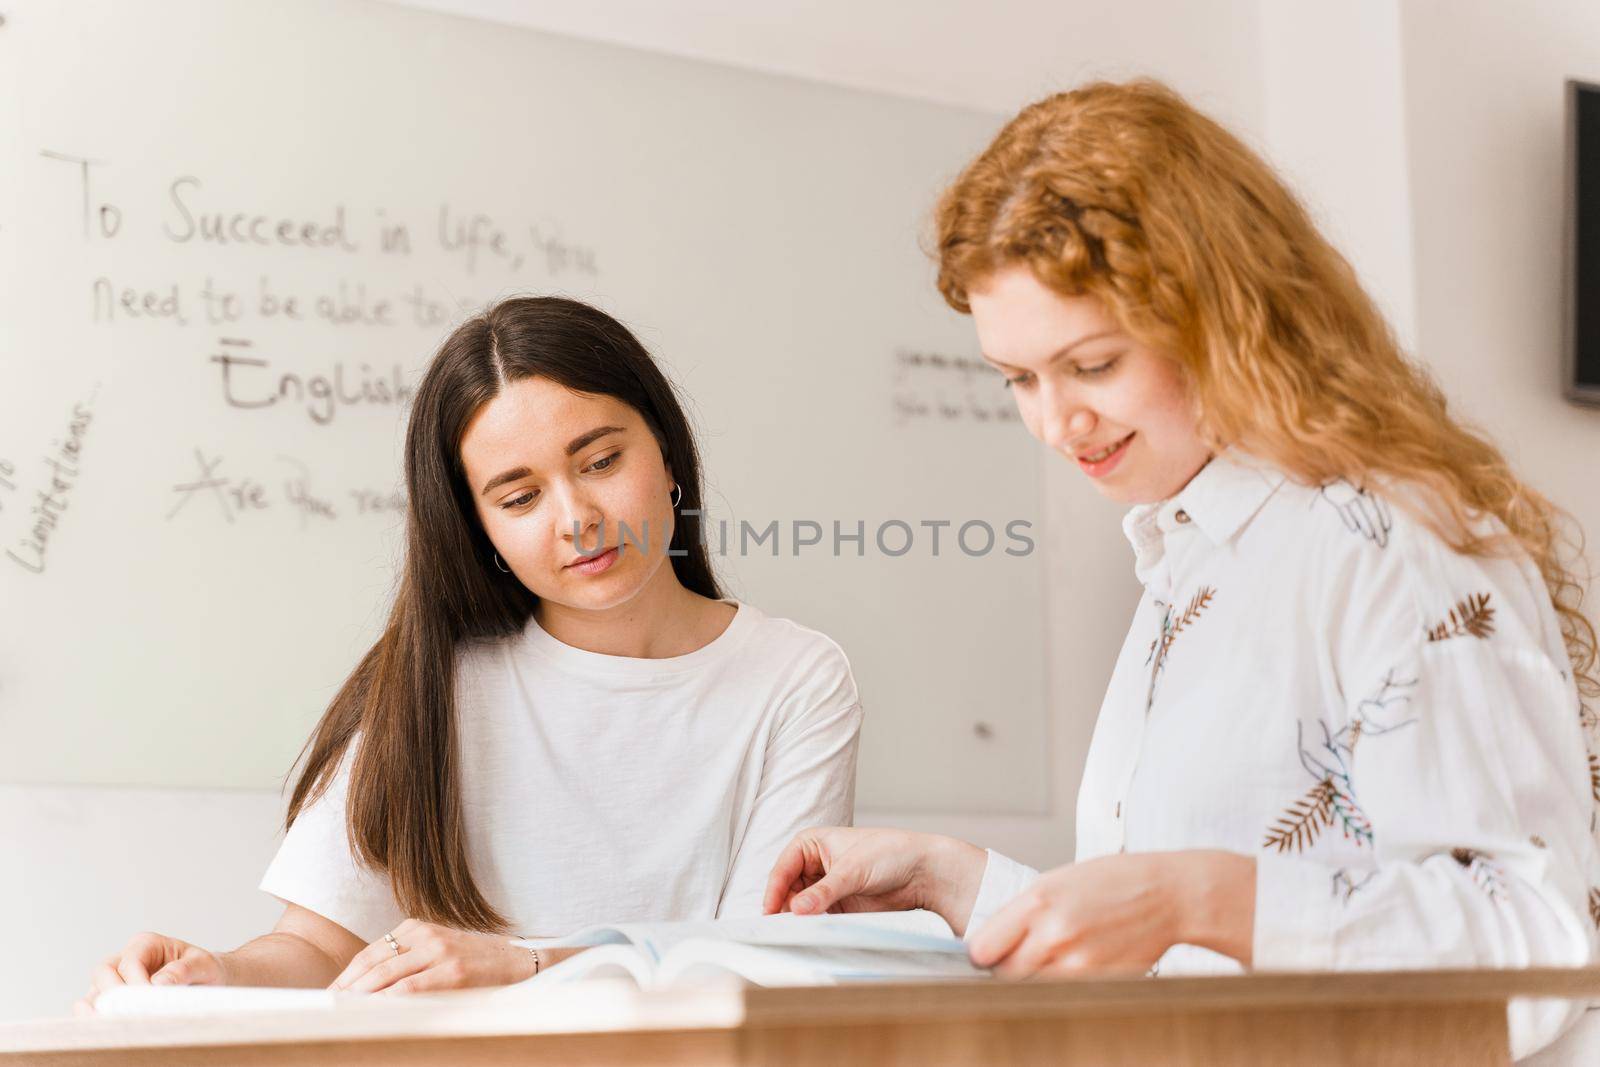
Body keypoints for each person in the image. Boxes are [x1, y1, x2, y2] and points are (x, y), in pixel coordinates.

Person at [763, 80, 1600, 1059]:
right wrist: (954, 881)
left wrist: (1193, 893)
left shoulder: (1389, 539)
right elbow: (1196, 951)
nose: (1054, 423)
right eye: (1019, 379)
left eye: (1092, 364)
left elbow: (1539, 940)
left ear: (1221, 311)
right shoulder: (1194, 544)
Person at [82, 296, 862, 1009]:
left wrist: (527, 963)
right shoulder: (438, 683)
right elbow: (322, 945)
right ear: (478, 526)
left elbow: (760, 965)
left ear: (664, 450)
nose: (577, 517)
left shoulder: (794, 677)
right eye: (520, 497)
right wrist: (215, 973)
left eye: (600, 462)